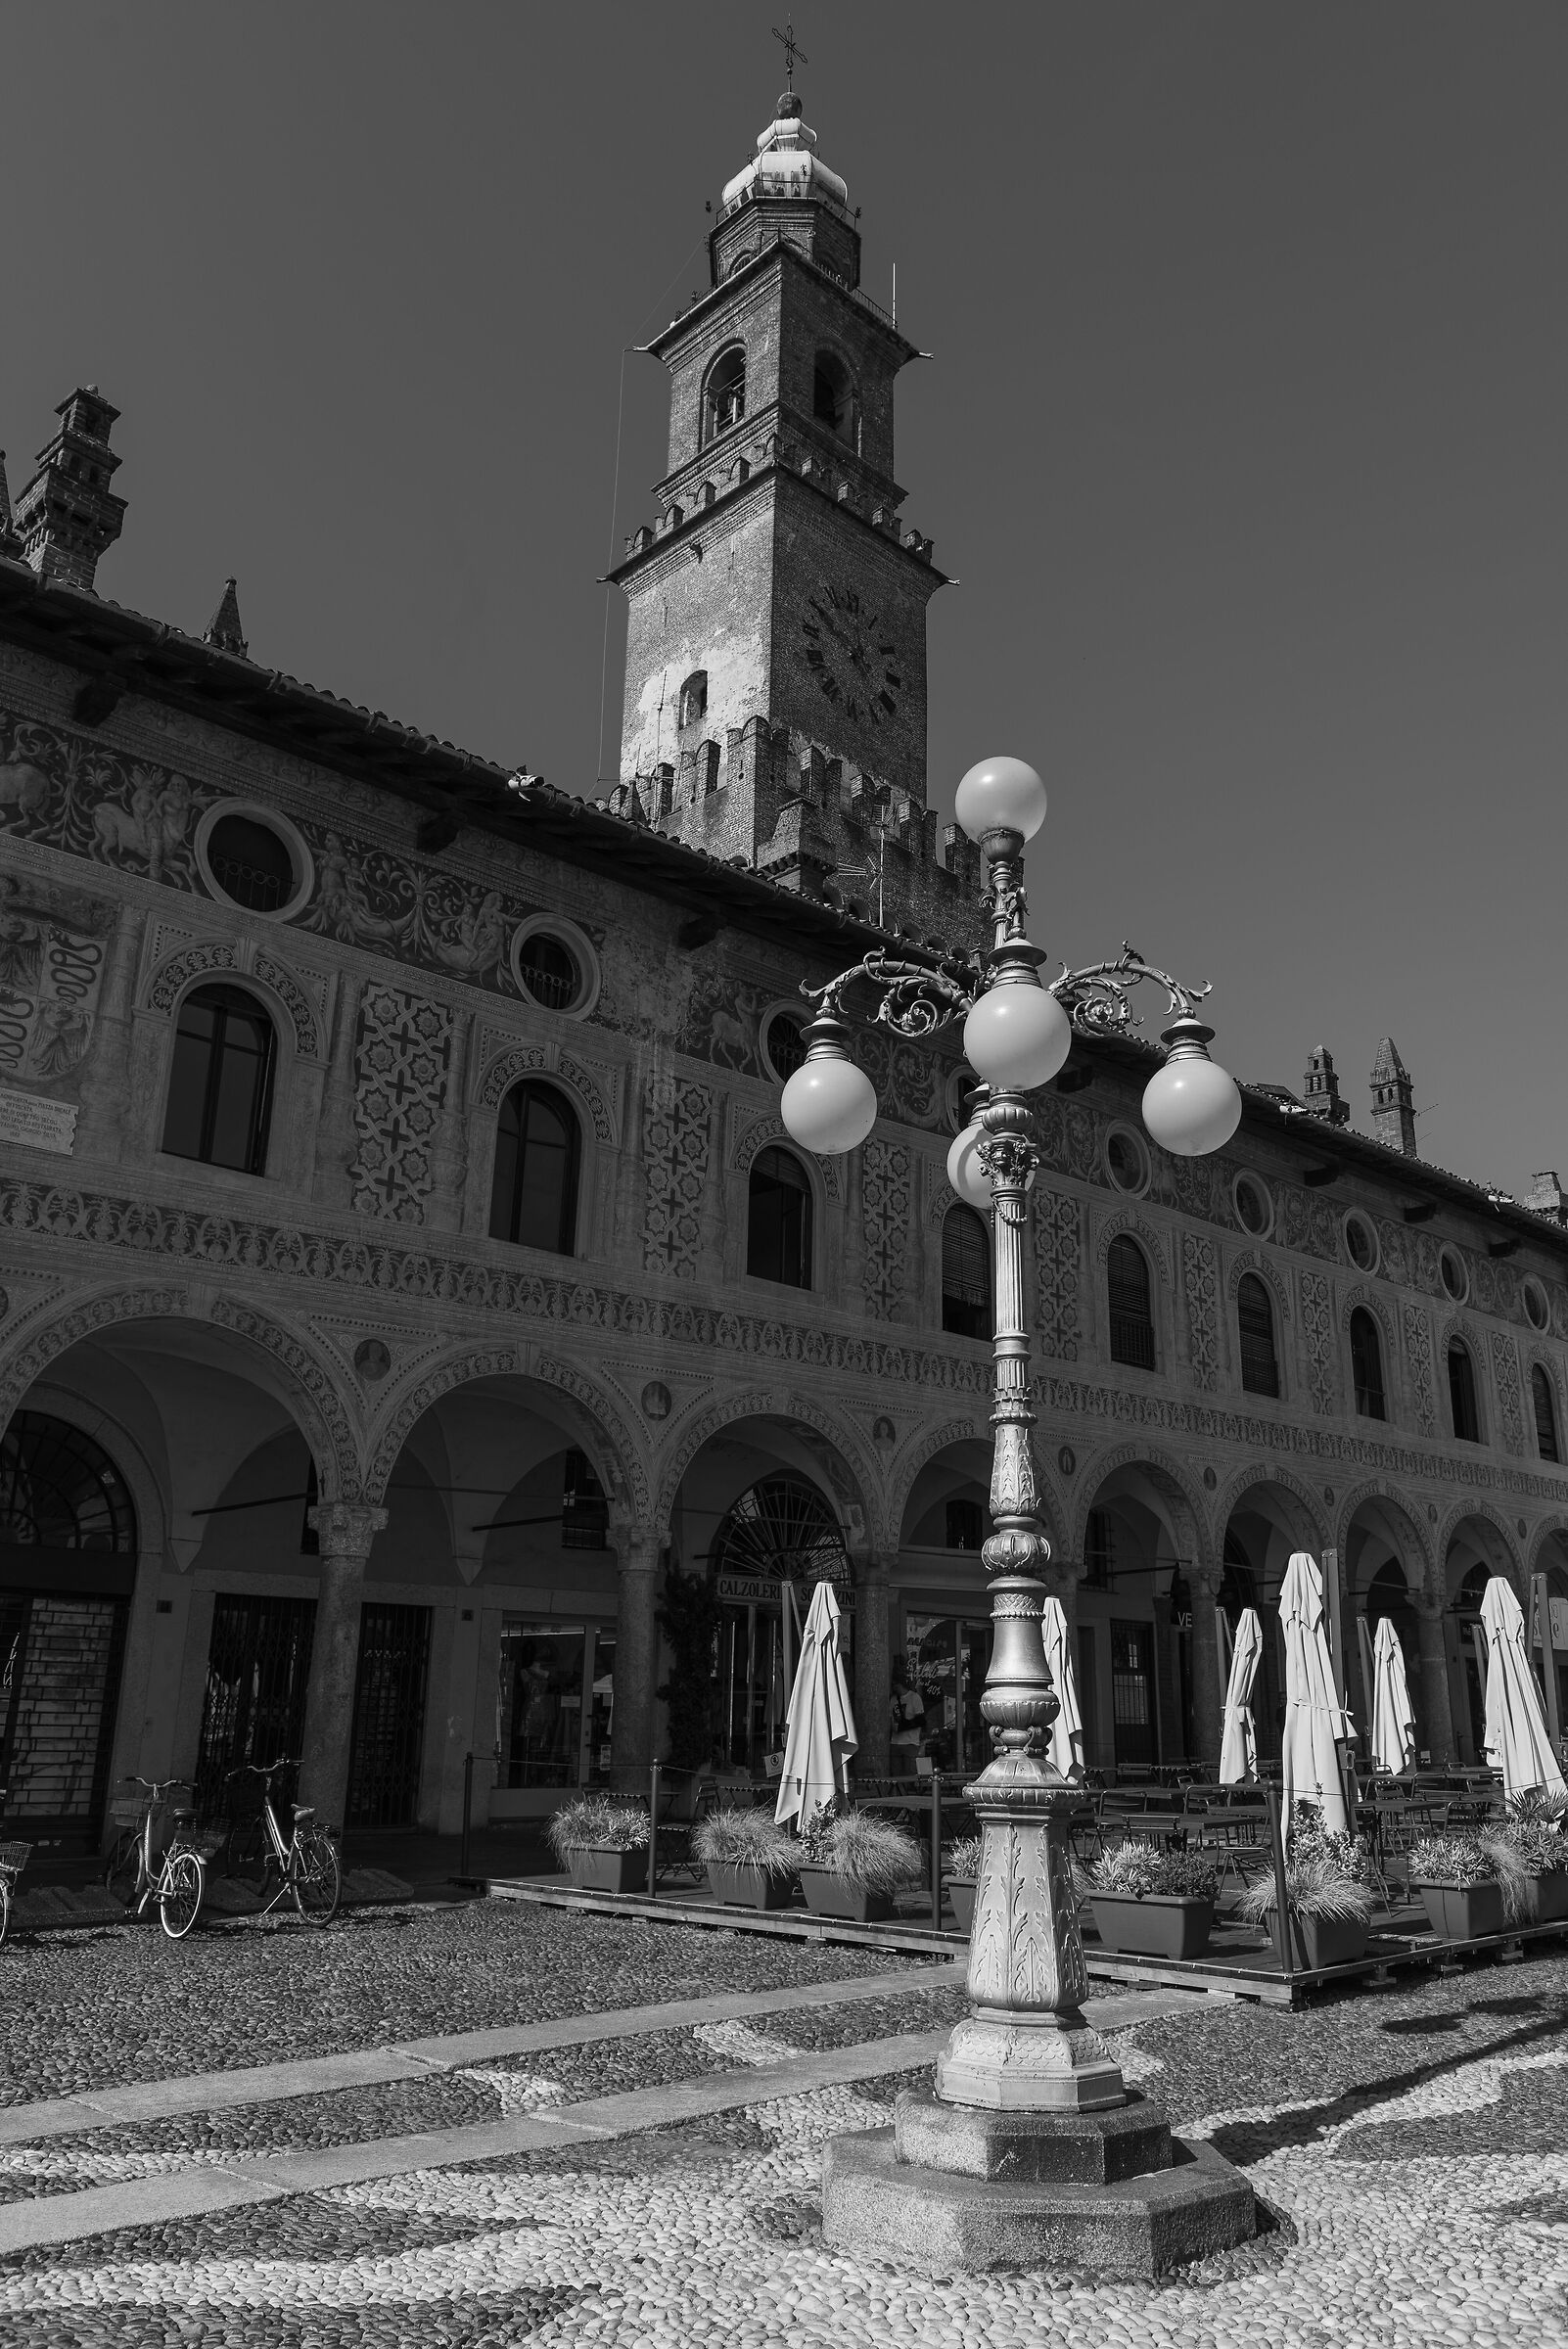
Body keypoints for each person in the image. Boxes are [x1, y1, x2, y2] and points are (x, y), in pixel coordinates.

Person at [889, 1657, 926, 1778]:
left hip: (910, 1742)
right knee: (896, 1774)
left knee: (910, 1774)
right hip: (895, 1742)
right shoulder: (893, 1700)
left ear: (899, 1684)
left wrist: (902, 1727)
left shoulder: (914, 1698)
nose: (893, 1687)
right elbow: (890, 1718)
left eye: (894, 1684)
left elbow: (920, 1720)